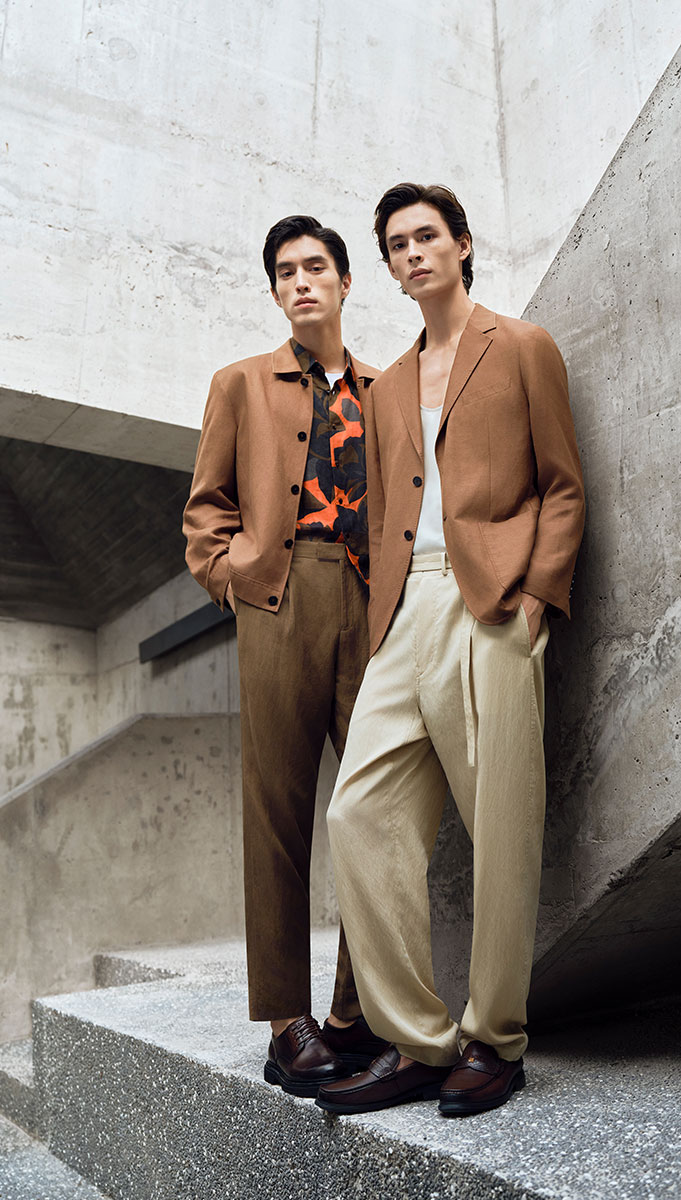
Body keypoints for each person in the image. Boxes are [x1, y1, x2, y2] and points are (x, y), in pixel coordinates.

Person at [317, 183, 585, 1117]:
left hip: (493, 604)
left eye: (427, 236)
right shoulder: (386, 384)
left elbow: (562, 485)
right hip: (406, 609)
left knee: (502, 827)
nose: (413, 253)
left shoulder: (522, 346)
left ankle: (497, 1042)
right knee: (357, 813)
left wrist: (535, 598)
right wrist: (380, 617)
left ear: (462, 244)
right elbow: (385, 515)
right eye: (396, 245)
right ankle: (419, 1041)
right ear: (389, 269)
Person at [183, 214, 387, 1097]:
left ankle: (352, 1012)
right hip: (278, 596)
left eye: (315, 267)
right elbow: (206, 509)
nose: (301, 281)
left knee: (378, 806)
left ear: (344, 282)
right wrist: (232, 580)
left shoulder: (387, 390)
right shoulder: (240, 383)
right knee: (277, 811)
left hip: (371, 603)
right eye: (285, 272)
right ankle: (285, 1023)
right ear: (275, 293)